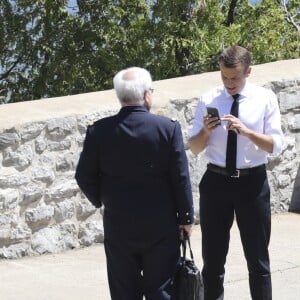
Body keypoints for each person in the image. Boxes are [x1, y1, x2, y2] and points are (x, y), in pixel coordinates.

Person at [75, 66, 194, 300]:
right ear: (147, 94)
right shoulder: (167, 128)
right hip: (161, 224)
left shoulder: (99, 131)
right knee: (161, 290)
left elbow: (83, 176)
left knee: (123, 292)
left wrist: (101, 199)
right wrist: (186, 219)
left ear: (120, 96)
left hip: (119, 224)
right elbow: (180, 178)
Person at [188, 45, 283, 300]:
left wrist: (247, 132)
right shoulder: (209, 99)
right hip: (216, 183)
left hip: (252, 184)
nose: (229, 83)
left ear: (248, 71)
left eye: (235, 77)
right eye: (224, 76)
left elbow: (275, 145)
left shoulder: (265, 98)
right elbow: (195, 148)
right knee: (213, 260)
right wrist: (206, 131)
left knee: (258, 260)